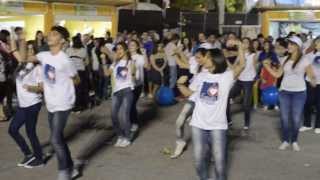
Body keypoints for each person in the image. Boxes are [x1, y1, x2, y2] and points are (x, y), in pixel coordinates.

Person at [177, 39, 245, 180]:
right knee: (198, 159)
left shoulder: (226, 77)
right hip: (198, 123)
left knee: (219, 162)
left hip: (217, 125)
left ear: (214, 59)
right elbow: (191, 94)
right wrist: (179, 84)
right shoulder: (201, 76)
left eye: (206, 57)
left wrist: (239, 46)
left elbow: (242, 65)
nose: (203, 59)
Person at [25, 26, 80, 180]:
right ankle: (71, 167)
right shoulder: (44, 55)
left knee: (55, 139)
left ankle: (64, 173)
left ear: (62, 41)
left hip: (63, 103)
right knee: (59, 138)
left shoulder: (65, 60)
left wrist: (65, 87)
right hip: (51, 103)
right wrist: (22, 41)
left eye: (54, 34)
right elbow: (25, 59)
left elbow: (77, 79)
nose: (50, 35)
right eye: (50, 33)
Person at [263, 36, 316, 151]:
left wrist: (313, 80)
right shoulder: (284, 59)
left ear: (297, 46)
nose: (289, 46)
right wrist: (267, 67)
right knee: (284, 118)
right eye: (289, 44)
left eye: (291, 44)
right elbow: (277, 75)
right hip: (284, 92)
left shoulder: (305, 60)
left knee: (296, 119)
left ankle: (295, 141)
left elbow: (311, 75)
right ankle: (286, 140)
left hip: (299, 93)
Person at [8, 37, 44, 168]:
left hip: (33, 104)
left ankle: (39, 158)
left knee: (30, 131)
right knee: (12, 130)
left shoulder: (38, 68)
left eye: (30, 50)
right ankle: (28, 154)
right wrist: (14, 35)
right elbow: (13, 50)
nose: (28, 53)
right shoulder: (22, 63)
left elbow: (42, 88)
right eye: (26, 50)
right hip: (23, 105)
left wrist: (31, 88)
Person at [171, 47, 208, 159]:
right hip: (193, 98)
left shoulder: (214, 70)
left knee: (205, 129)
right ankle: (180, 142)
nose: (196, 60)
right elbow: (184, 64)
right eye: (195, 57)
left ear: (207, 57)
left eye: (199, 57)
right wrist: (177, 54)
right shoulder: (198, 67)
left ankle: (211, 151)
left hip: (206, 102)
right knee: (179, 122)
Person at [101, 42, 134, 148]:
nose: (118, 51)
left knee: (124, 115)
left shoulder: (130, 62)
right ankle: (120, 136)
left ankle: (127, 137)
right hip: (116, 92)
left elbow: (133, 73)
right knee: (113, 115)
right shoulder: (115, 63)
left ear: (125, 50)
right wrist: (103, 60)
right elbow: (106, 73)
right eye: (117, 49)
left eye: (120, 49)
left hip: (127, 91)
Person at [228, 37, 257, 130]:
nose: (244, 44)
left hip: (248, 81)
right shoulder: (239, 55)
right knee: (227, 97)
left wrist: (256, 79)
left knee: (246, 104)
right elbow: (233, 67)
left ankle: (246, 123)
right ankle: (228, 120)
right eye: (242, 42)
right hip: (239, 80)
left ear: (249, 45)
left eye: (246, 42)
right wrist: (226, 61)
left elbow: (255, 68)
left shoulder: (253, 55)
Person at [300, 36, 320, 134]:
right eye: (317, 42)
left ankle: (318, 126)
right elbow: (304, 68)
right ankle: (306, 124)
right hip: (309, 82)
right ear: (314, 44)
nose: (318, 44)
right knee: (307, 103)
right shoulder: (309, 55)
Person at [66, 35, 89, 113]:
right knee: (79, 90)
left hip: (71, 72)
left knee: (71, 90)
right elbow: (87, 62)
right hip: (80, 71)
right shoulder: (83, 50)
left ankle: (71, 106)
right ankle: (78, 107)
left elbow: (66, 62)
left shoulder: (68, 50)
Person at [129, 40, 146, 132]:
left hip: (137, 84)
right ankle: (130, 121)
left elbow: (147, 66)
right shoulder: (126, 57)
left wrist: (145, 55)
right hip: (127, 84)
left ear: (137, 47)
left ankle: (134, 123)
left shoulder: (140, 57)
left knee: (131, 104)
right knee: (128, 105)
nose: (131, 46)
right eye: (130, 45)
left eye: (133, 45)